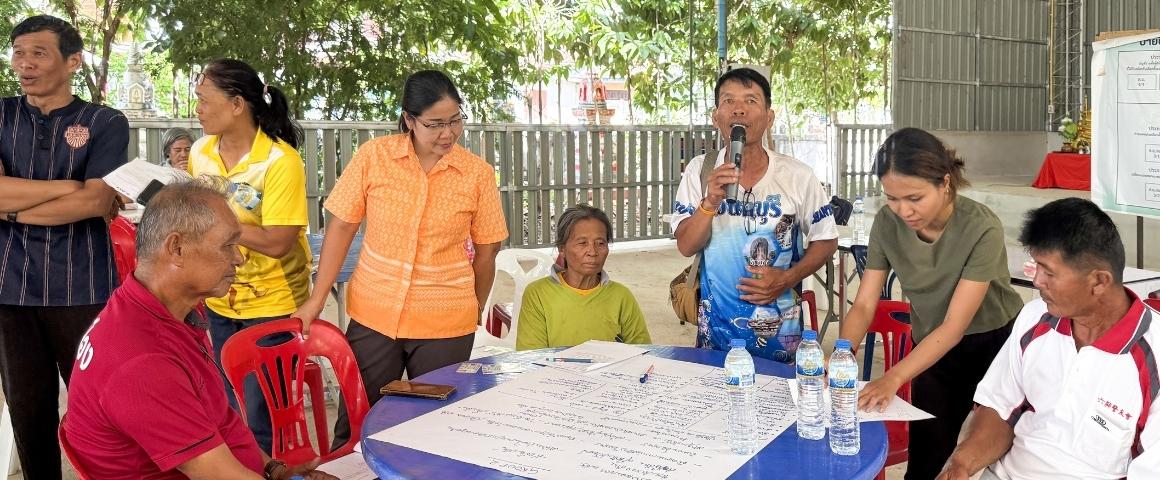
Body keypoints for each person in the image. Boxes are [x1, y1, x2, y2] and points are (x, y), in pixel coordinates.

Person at [63, 180, 335, 480]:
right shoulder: (143, 360)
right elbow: (219, 474)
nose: (239, 258)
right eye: (228, 245)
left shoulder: (154, 309)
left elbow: (218, 418)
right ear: (177, 248)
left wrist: (274, 469)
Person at [293, 69, 507, 447]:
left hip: (445, 319)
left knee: (436, 426)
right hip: (374, 312)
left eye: (455, 120)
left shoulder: (476, 174)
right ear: (409, 119)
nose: (448, 133)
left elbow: (488, 248)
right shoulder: (374, 157)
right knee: (358, 421)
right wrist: (315, 300)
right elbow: (340, 227)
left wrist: (473, 306)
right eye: (435, 124)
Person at [838, 127, 1024, 480]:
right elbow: (863, 304)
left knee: (993, 454)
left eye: (914, 197)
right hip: (931, 347)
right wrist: (844, 352)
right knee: (926, 455)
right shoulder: (887, 224)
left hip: (994, 344)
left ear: (945, 183)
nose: (903, 210)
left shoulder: (980, 226)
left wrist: (893, 376)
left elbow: (955, 326)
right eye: (892, 198)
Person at [939, 198, 1160, 479]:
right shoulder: (1035, 318)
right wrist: (961, 464)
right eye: (1036, 266)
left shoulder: (1153, 356)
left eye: (1049, 272)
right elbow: (1000, 407)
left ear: (1099, 281)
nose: (1037, 281)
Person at [0, 15, 128, 479]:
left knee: (100, 405)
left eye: (38, 53)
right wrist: (65, 187)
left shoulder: (105, 121)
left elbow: (96, 201)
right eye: (17, 53)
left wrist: (12, 204)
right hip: (9, 290)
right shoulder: (1, 114)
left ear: (73, 61)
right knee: (28, 412)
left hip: (84, 286)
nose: (24, 64)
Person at [671, 67, 838, 363]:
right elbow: (686, 246)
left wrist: (788, 278)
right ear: (716, 117)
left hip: (781, 336)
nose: (738, 110)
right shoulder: (699, 171)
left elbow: (826, 239)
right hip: (717, 338)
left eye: (750, 101)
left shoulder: (797, 175)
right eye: (728, 101)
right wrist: (709, 202)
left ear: (769, 117)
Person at [186, 58, 312, 453]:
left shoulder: (280, 161)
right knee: (229, 406)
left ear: (237, 104)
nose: (198, 110)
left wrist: (223, 226)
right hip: (222, 297)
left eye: (205, 100)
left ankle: (267, 469)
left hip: (274, 303)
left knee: (263, 414)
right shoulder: (200, 152)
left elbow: (278, 242)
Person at [516, 204, 651, 350]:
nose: (592, 251)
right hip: (555, 372)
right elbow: (531, 357)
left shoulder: (621, 296)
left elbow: (643, 352)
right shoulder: (538, 294)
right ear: (562, 249)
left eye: (600, 243)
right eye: (582, 243)